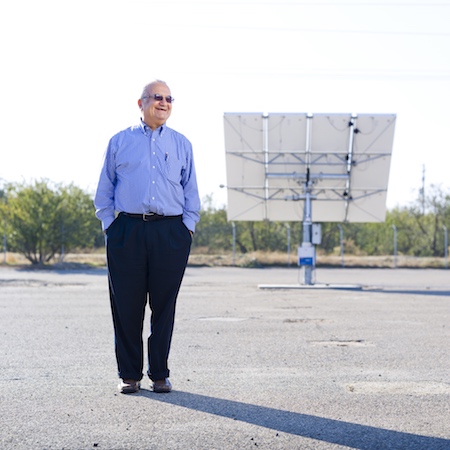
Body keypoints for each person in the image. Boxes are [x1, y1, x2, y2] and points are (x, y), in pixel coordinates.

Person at [94, 79, 200, 394]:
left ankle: (159, 374)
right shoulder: (119, 142)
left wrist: (187, 227)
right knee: (126, 304)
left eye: (169, 98)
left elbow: (191, 190)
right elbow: (105, 188)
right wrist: (109, 226)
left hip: (171, 232)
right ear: (140, 103)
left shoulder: (182, 144)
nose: (164, 103)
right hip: (126, 230)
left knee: (164, 306)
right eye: (157, 97)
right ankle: (129, 375)